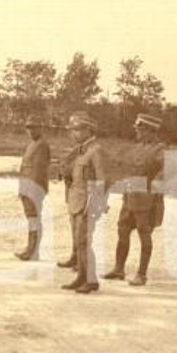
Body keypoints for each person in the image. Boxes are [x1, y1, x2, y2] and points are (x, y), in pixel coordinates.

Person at [103, 113, 165, 286]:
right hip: (129, 196)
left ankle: (142, 275)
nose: (137, 131)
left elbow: (165, 174)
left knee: (144, 234)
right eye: (138, 128)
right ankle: (119, 269)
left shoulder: (160, 150)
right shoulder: (137, 147)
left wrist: (151, 190)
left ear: (151, 131)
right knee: (122, 230)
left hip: (145, 200)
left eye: (141, 129)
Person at [62, 111, 108, 294]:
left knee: (84, 241)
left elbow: (101, 180)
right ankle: (82, 276)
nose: (73, 133)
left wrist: (94, 205)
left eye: (77, 130)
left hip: (87, 204)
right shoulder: (82, 150)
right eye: (72, 130)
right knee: (78, 241)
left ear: (88, 130)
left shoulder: (96, 151)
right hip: (76, 202)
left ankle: (91, 280)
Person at [15, 116, 51, 261]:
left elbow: (39, 171)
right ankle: (30, 248)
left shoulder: (42, 145)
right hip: (26, 188)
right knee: (31, 219)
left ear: (40, 128)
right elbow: (25, 169)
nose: (30, 131)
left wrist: (32, 191)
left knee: (34, 219)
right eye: (28, 128)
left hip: (33, 189)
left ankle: (33, 251)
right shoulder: (32, 144)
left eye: (33, 127)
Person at [55, 143, 79, 269]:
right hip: (71, 192)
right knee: (74, 227)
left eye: (77, 130)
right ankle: (75, 256)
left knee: (81, 229)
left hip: (80, 194)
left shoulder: (89, 149)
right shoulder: (74, 149)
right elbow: (63, 166)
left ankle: (82, 260)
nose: (74, 133)